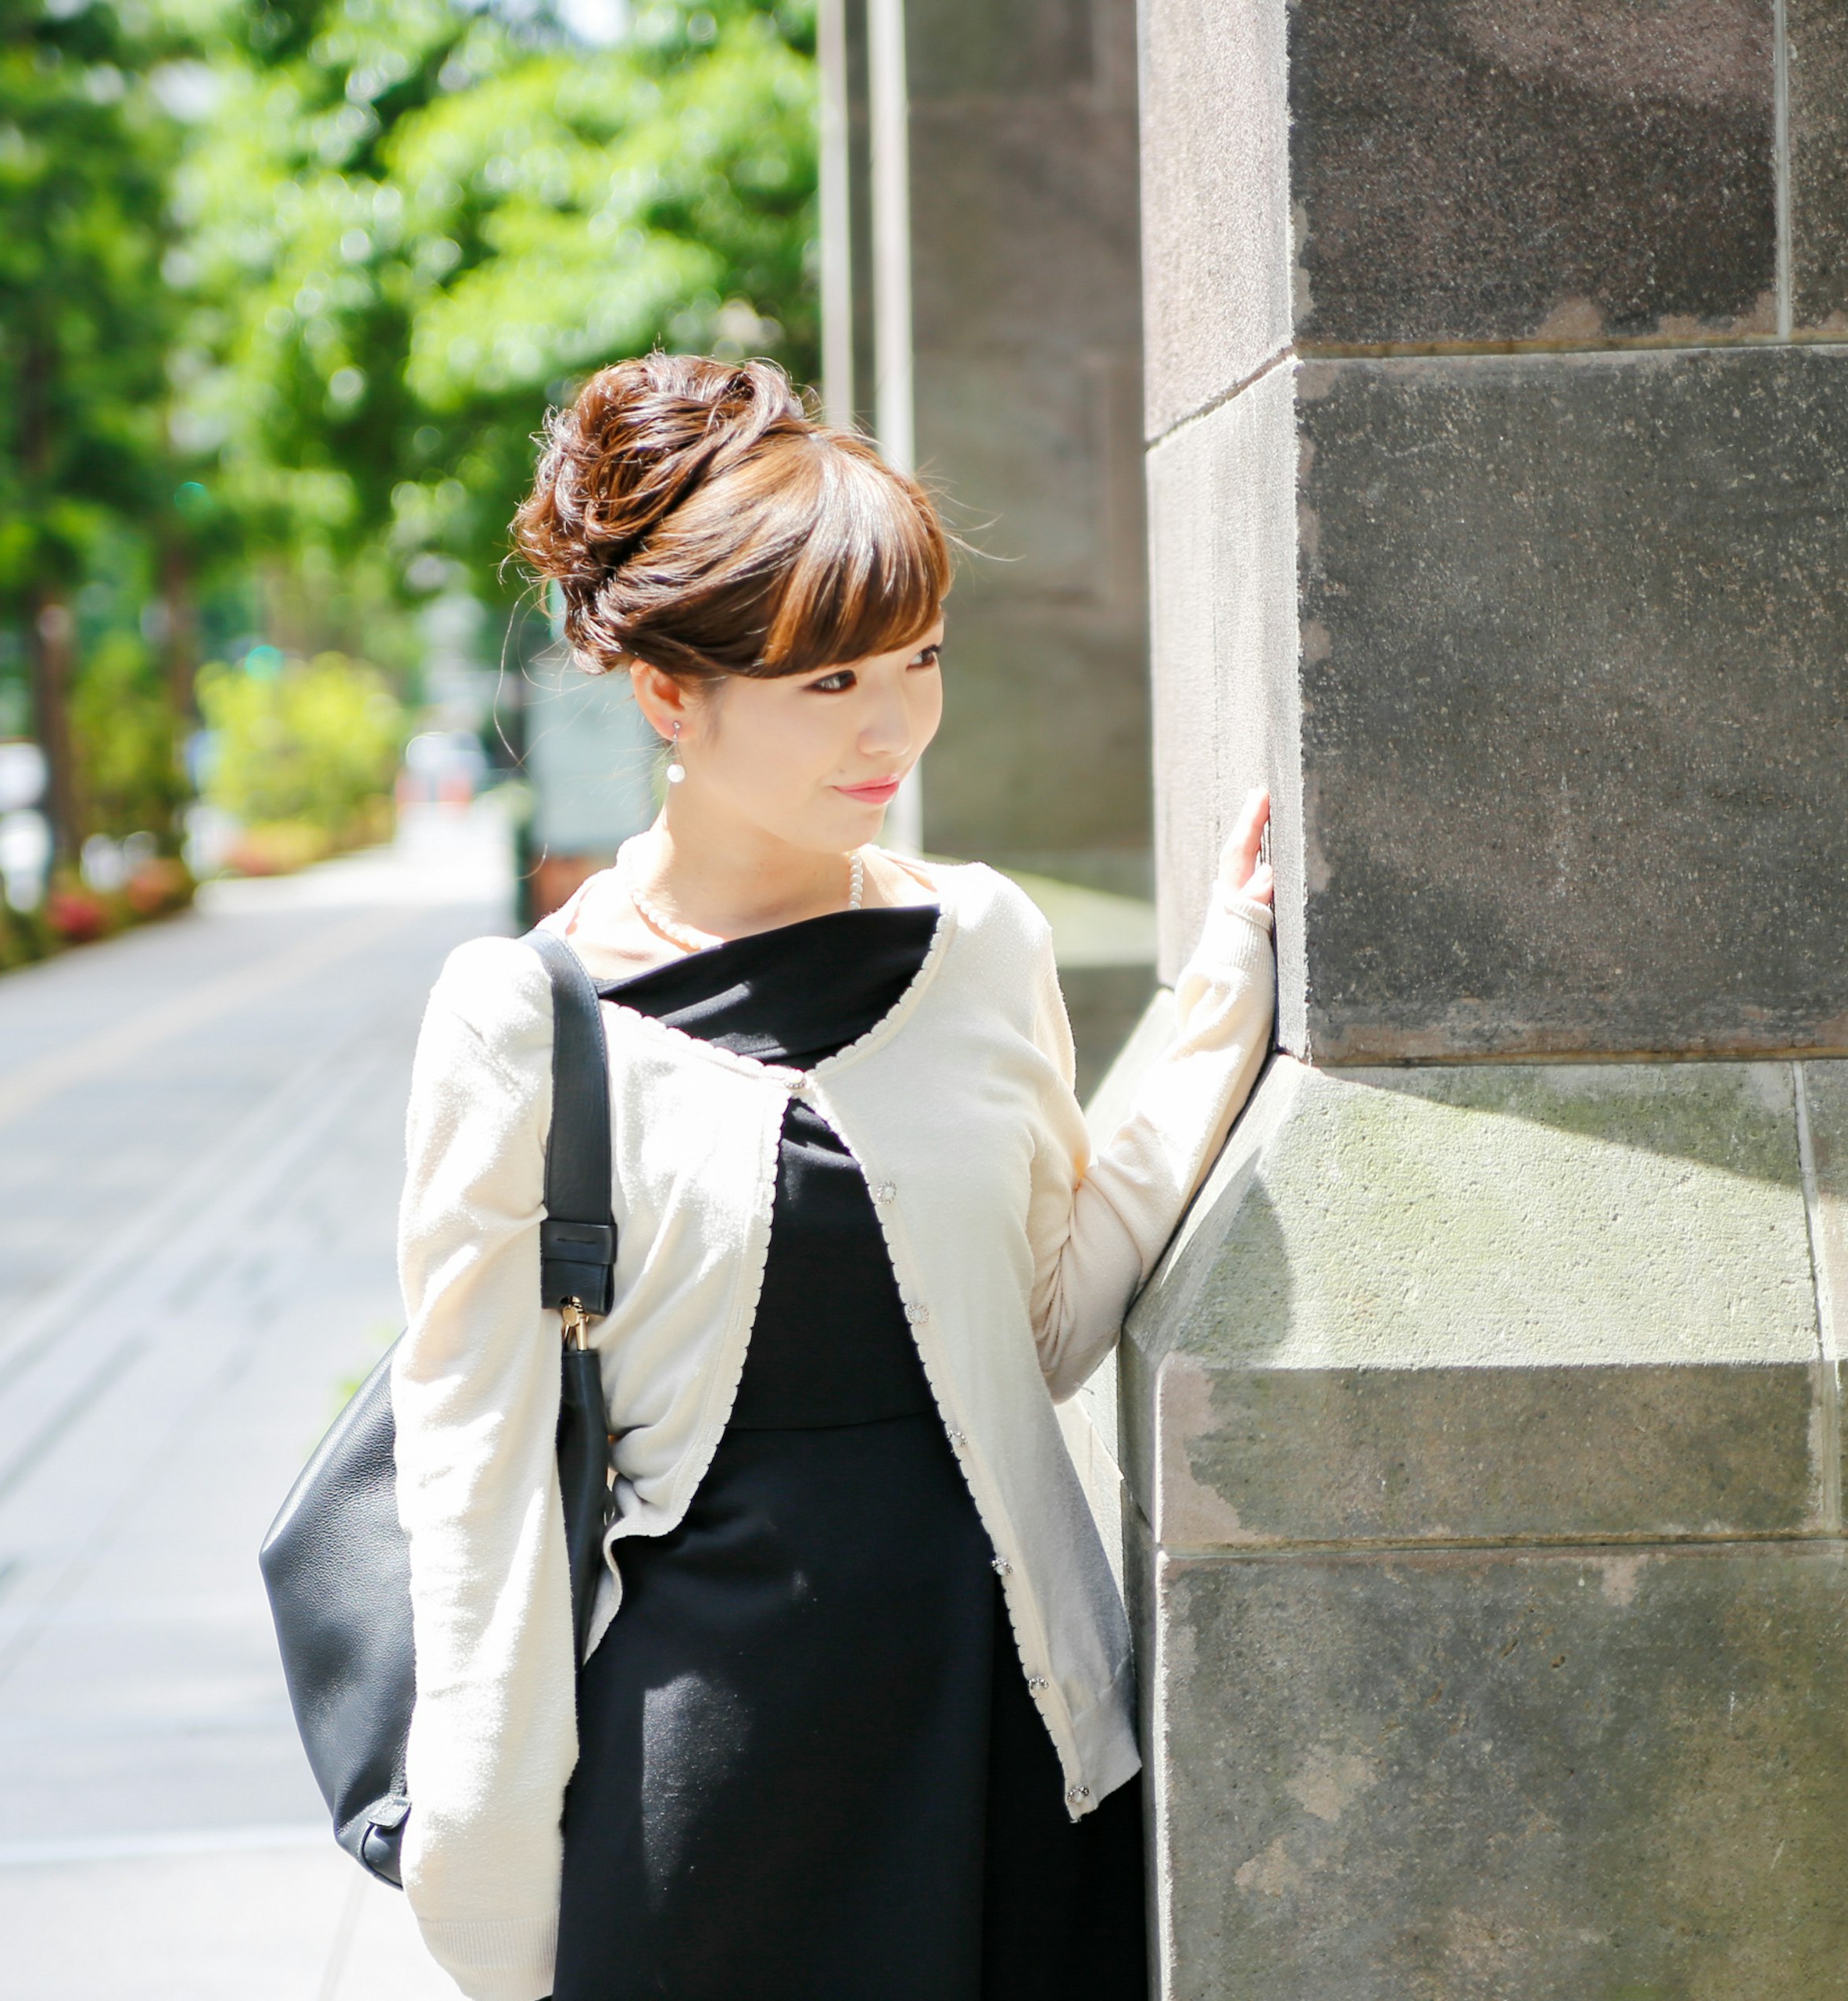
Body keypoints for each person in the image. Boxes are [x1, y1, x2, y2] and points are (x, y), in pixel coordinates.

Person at [390, 353, 1276, 2001]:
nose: (895, 725)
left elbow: (1048, 1317)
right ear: (672, 696)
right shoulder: (525, 1017)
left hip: (1001, 1726)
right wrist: (493, 1883)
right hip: (712, 1780)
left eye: (921, 659)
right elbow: (476, 1474)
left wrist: (1230, 988)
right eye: (831, 682)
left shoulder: (980, 939)